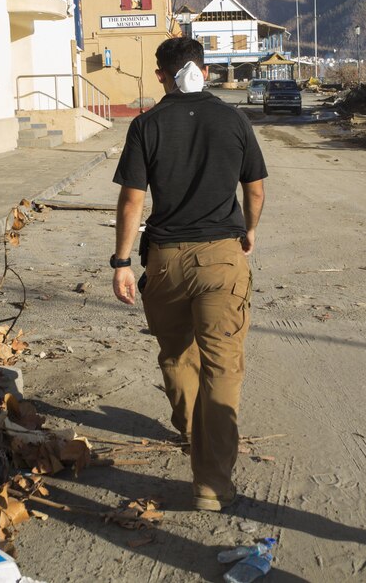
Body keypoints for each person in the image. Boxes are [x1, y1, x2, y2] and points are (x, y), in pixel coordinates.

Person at [111, 37, 267, 512]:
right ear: (204, 69)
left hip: (165, 260)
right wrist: (249, 230)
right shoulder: (234, 119)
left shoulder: (146, 125)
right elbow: (256, 191)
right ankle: (212, 482)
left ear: (163, 75)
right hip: (221, 258)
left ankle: (190, 431)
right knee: (222, 366)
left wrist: (120, 262)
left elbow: (132, 201)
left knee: (178, 355)